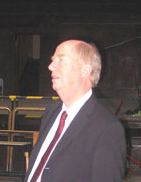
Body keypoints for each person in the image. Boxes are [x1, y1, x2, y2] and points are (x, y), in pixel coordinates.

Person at [25, 39, 126, 182]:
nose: (50, 66)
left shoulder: (107, 128)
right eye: (53, 60)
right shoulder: (51, 112)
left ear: (85, 69)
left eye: (61, 60)